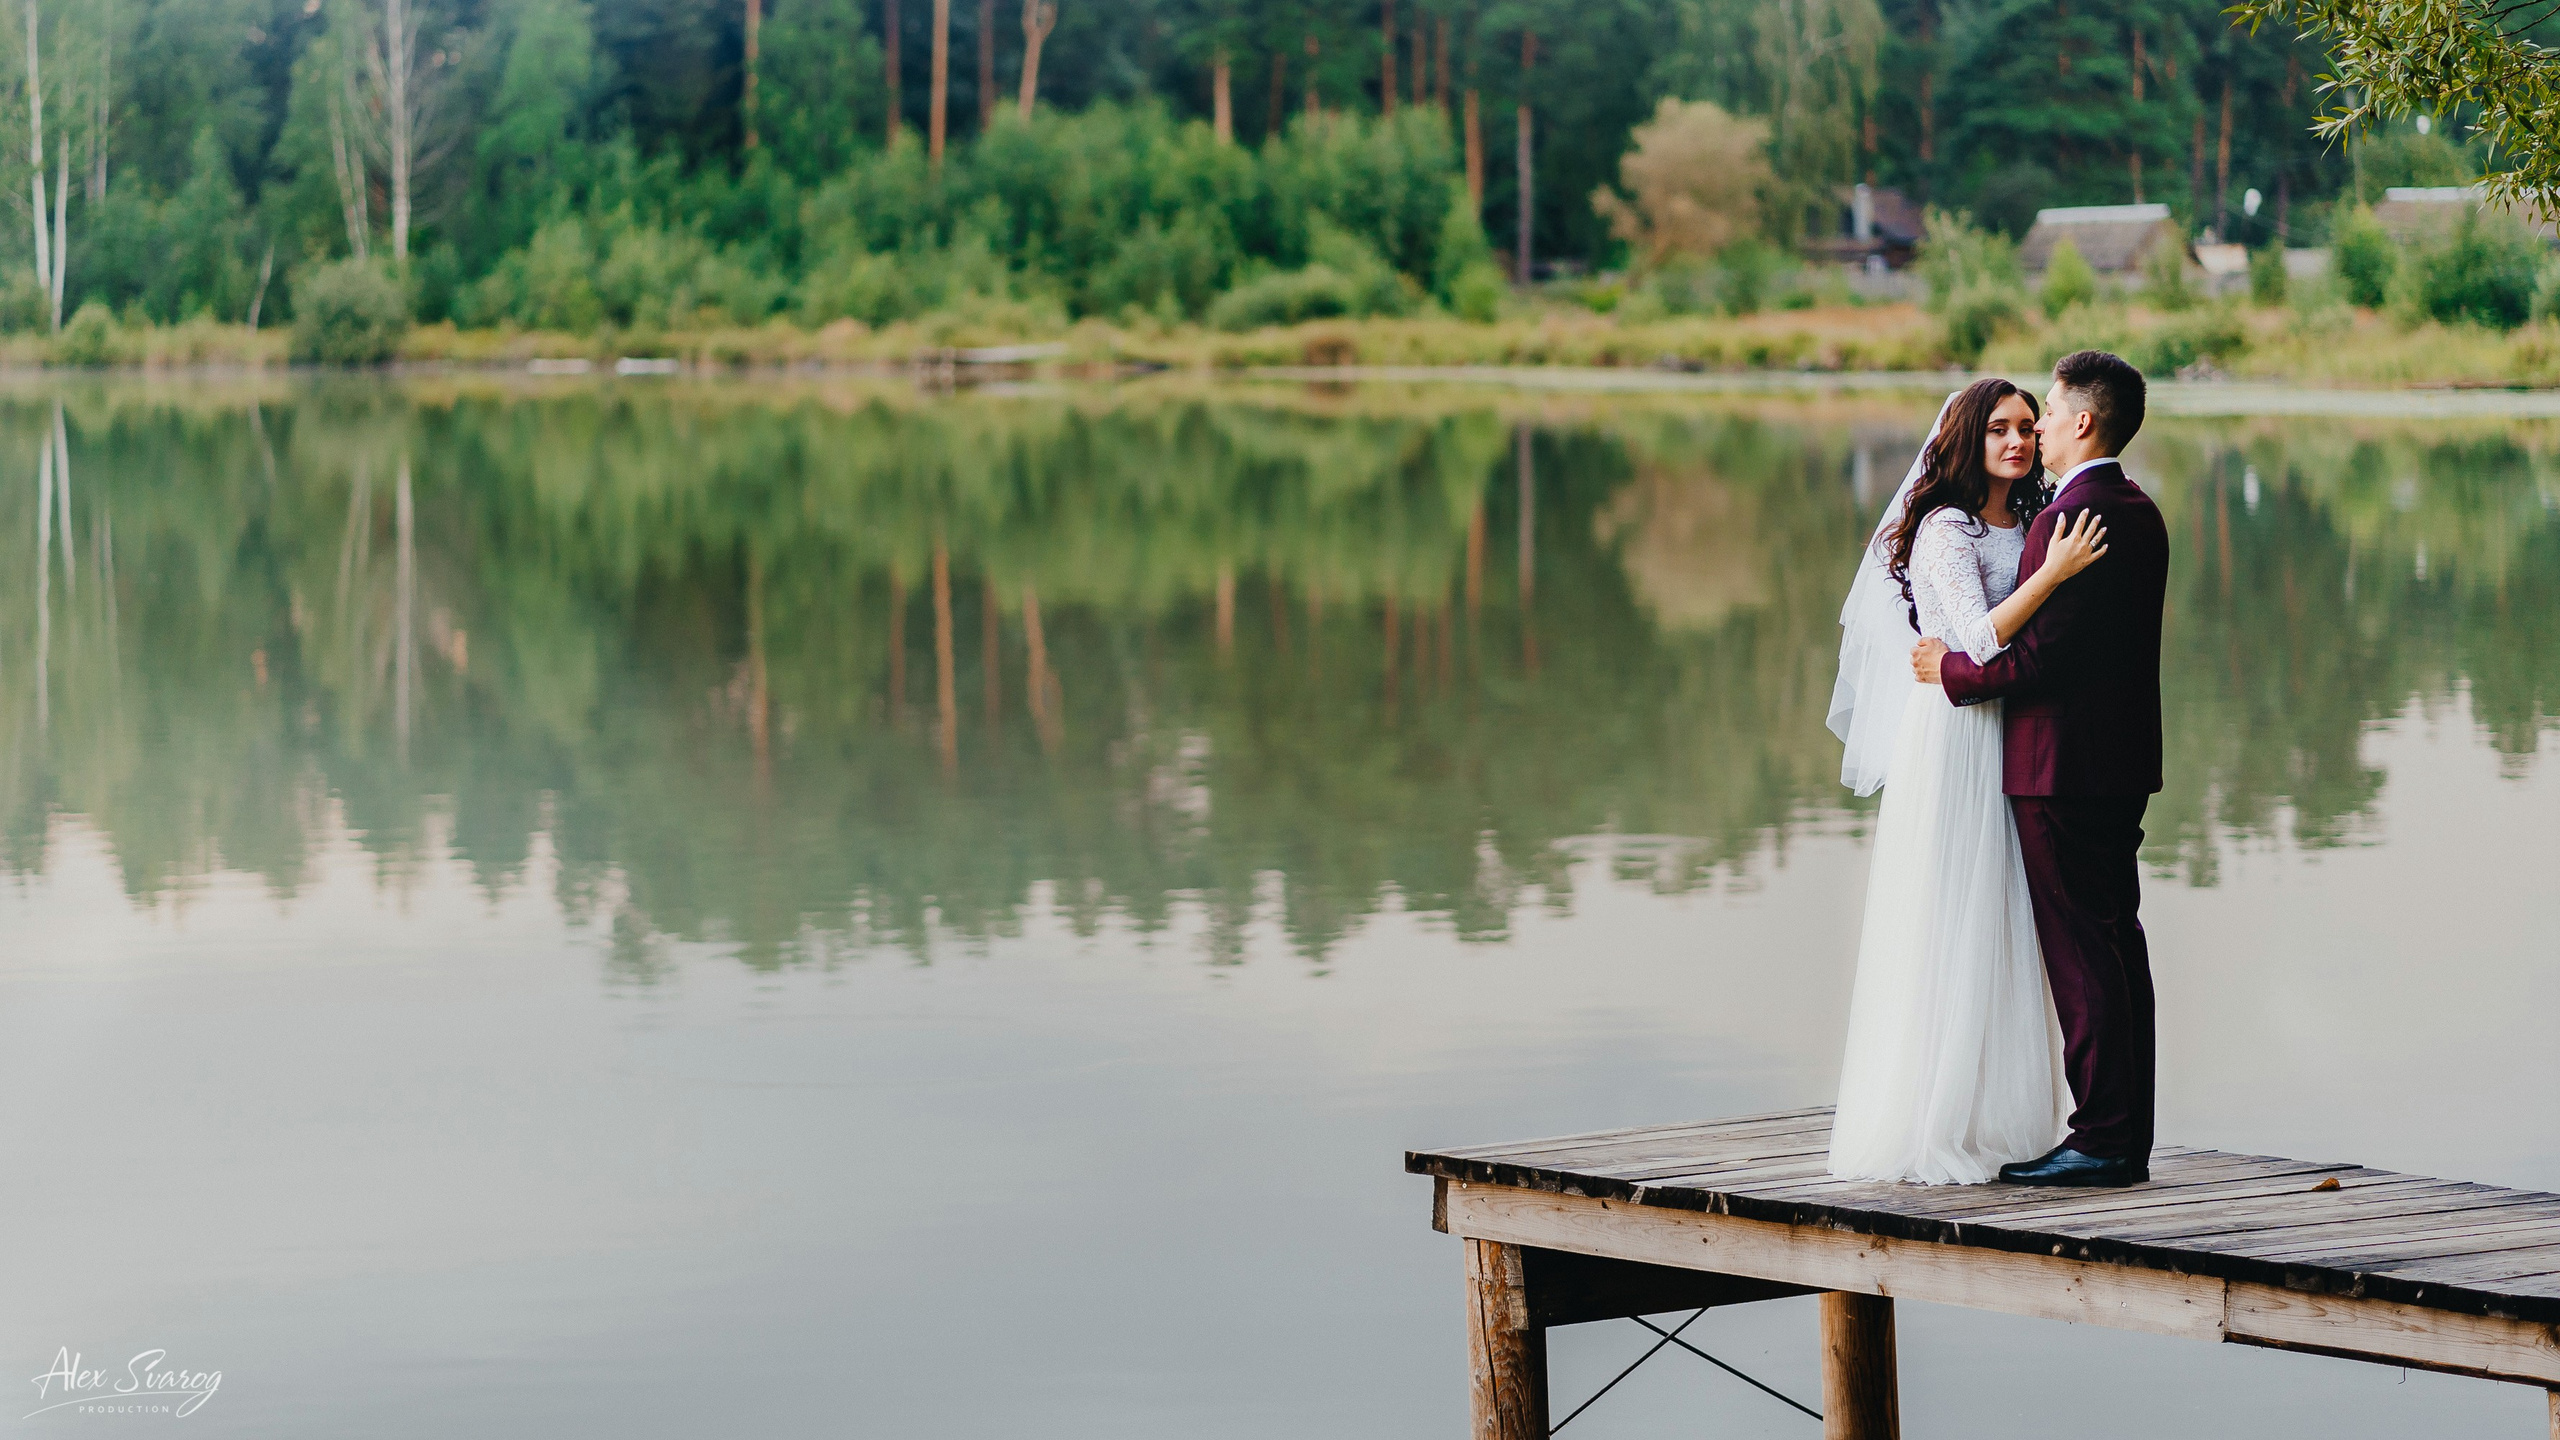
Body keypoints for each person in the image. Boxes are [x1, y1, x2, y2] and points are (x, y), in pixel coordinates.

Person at [1825, 376, 2111, 1185]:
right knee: (1950, 909)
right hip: (1953, 732)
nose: (2017, 442)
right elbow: (1978, 640)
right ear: (1965, 441)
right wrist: (2051, 575)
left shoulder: (2030, 520)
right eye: (1998, 430)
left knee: (2004, 914)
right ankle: (1932, 1118)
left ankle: (2003, 1118)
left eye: (2027, 426)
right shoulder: (1943, 529)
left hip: (2011, 730)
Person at [1912, 350, 2170, 1189]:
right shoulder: (2137, 509)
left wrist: (1947, 671)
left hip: (2057, 767)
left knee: (2083, 955)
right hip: (2120, 762)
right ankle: (2124, 1134)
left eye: (2046, 416)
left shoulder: (2070, 520)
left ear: (2082, 421)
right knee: (2119, 945)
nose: (2038, 430)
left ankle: (2101, 1138)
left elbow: (2035, 664)